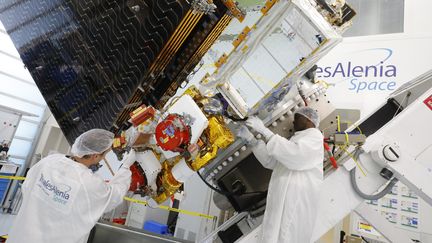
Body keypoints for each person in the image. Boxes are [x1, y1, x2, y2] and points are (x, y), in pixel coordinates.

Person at [7, 129, 136, 243]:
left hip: (21, 237)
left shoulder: (49, 161)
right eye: (104, 154)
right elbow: (115, 195)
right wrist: (125, 166)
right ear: (95, 155)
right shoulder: (89, 182)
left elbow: (27, 186)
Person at [237, 107, 324, 243]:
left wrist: (265, 131)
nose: (293, 123)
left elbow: (295, 155)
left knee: (285, 235)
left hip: (295, 202)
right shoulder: (298, 140)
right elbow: (272, 162)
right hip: (282, 200)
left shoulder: (315, 137)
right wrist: (252, 141)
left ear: (308, 120)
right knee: (274, 236)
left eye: (296, 118)